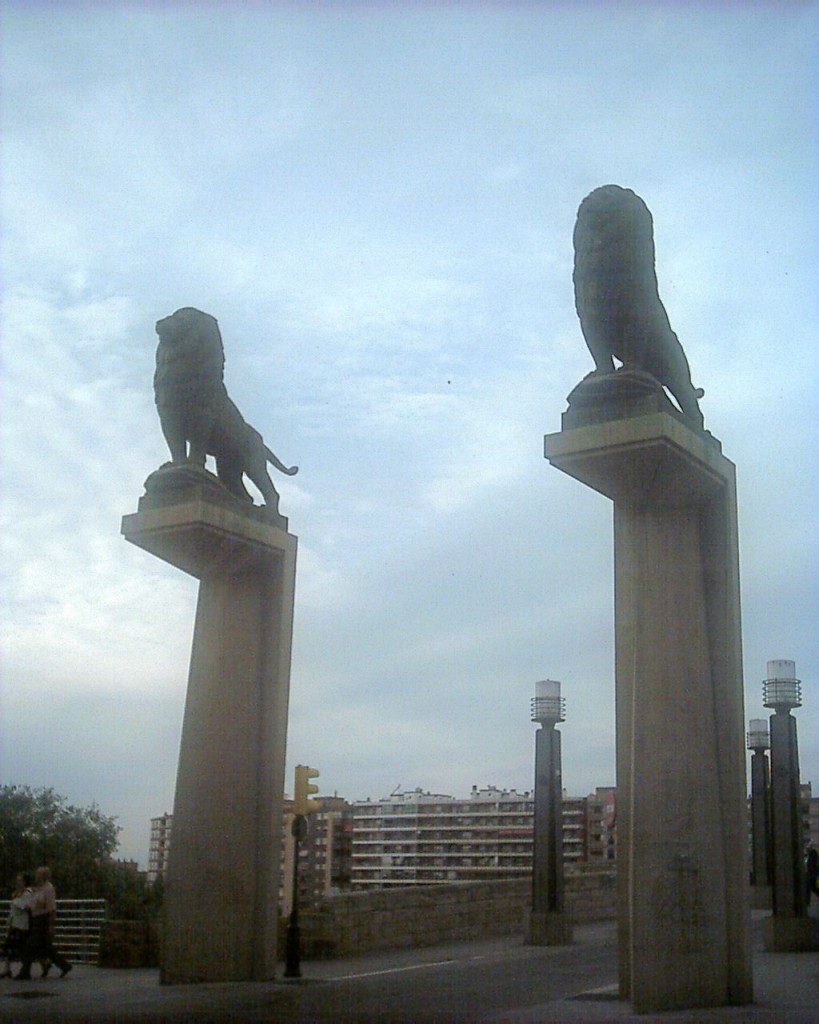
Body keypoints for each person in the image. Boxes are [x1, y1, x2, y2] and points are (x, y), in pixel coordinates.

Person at [15, 867, 71, 980]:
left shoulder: (48, 888)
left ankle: (24, 972)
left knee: (30, 945)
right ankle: (65, 965)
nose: (36, 876)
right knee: (46, 948)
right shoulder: (37, 888)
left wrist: (51, 925)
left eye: (38, 874)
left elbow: (51, 908)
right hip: (35, 919)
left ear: (43, 876)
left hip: (43, 920)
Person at [1, 873, 34, 978]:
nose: (17, 882)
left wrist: (16, 901)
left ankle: (39, 964)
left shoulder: (28, 893)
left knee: (21, 947)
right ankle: (7, 969)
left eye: (19, 880)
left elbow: (27, 907)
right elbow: (13, 911)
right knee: (9, 946)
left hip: (22, 924)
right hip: (14, 923)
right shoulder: (16, 893)